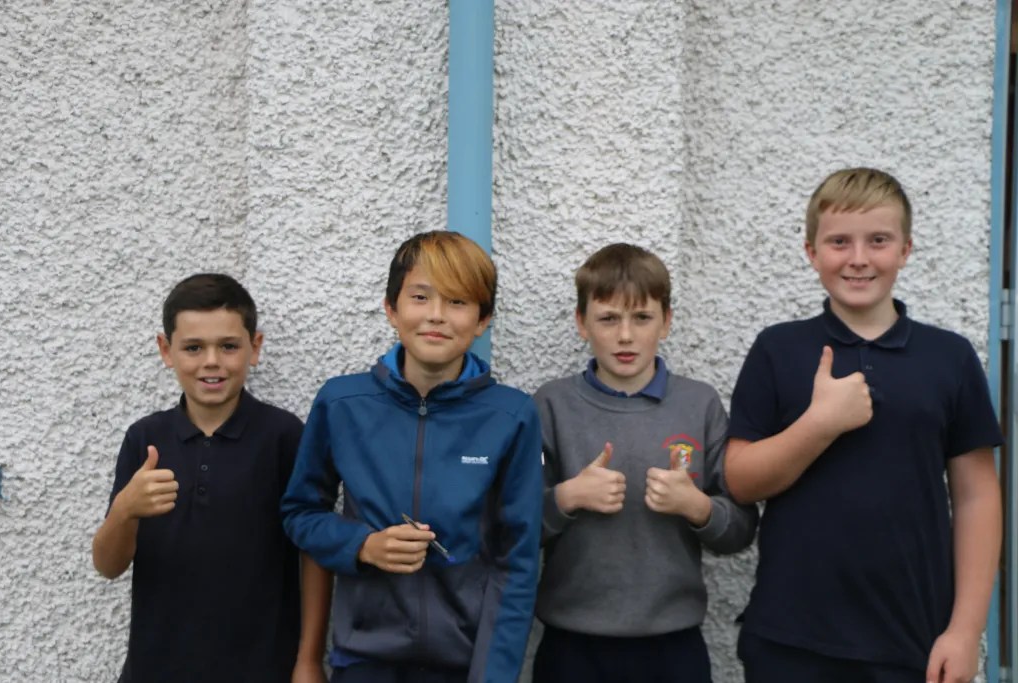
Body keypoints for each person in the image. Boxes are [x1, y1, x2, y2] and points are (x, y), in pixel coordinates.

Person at [725, 167, 1003, 683]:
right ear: (811, 252)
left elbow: (977, 499)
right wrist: (819, 424)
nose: (858, 258)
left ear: (905, 250)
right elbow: (739, 480)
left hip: (913, 641)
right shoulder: (778, 349)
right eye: (839, 242)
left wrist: (966, 632)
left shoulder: (950, 357)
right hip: (791, 640)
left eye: (878, 240)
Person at [282, 230, 543, 683]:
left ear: (482, 320)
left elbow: (517, 561)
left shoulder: (511, 415)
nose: (436, 315)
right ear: (392, 309)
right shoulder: (341, 404)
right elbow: (300, 513)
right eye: (420, 297)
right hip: (363, 661)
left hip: (464, 666)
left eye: (457, 301)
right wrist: (362, 545)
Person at [533, 243, 758, 683]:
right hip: (572, 646)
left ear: (666, 321)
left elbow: (741, 529)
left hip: (672, 646)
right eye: (608, 318)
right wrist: (566, 497)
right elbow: (512, 526)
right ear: (581, 323)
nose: (625, 336)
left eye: (642, 318)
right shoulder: (551, 406)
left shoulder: (699, 404)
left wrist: (698, 507)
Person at [92, 273, 304, 682]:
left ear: (255, 347)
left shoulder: (283, 436)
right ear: (166, 350)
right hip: (156, 670)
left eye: (228, 346)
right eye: (193, 347)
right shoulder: (145, 439)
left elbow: (311, 553)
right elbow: (108, 566)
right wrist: (125, 510)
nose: (211, 361)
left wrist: (308, 659)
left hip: (261, 669)